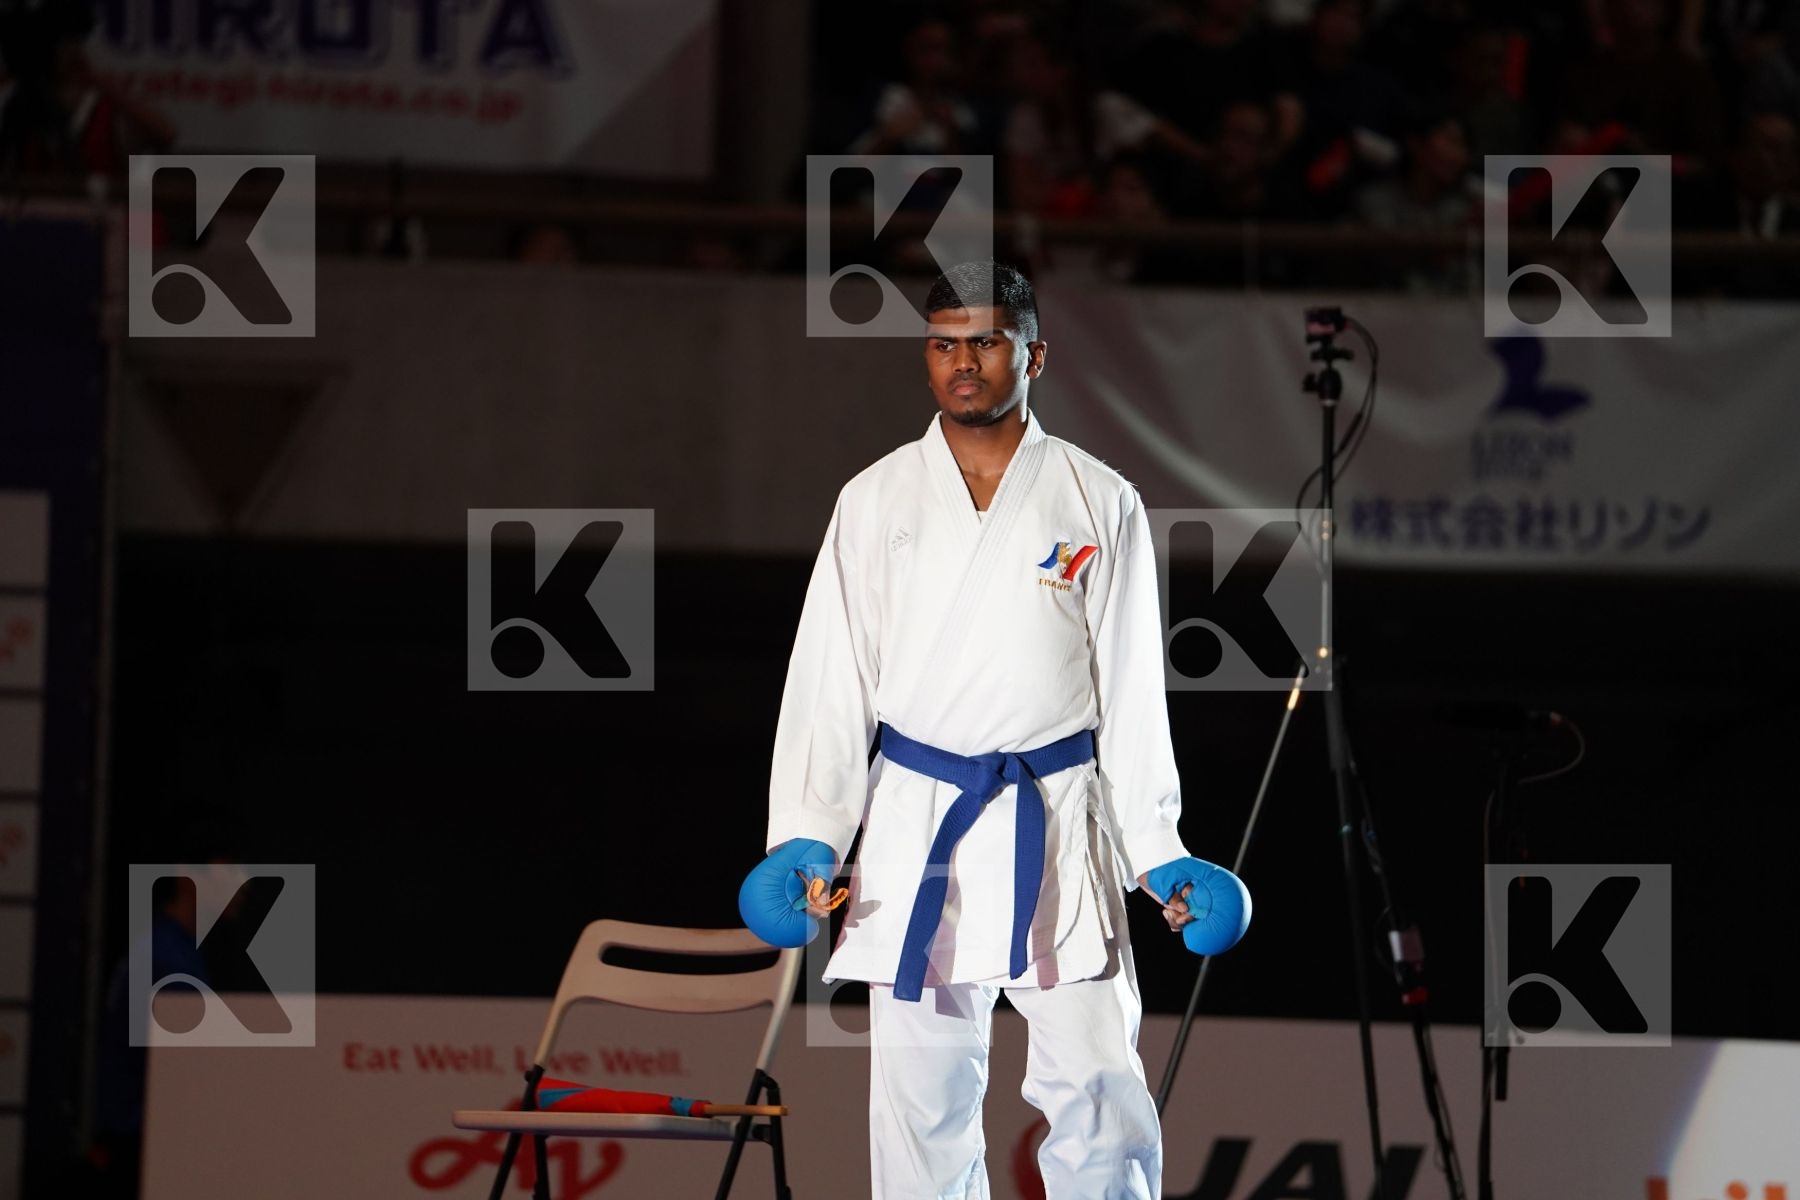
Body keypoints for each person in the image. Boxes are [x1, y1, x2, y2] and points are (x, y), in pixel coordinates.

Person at [739, 261, 1250, 1198]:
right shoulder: (875, 498)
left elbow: (1133, 690)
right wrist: (810, 831)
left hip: (1055, 811)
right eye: (943, 345)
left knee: (1097, 1082)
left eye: (984, 342)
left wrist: (1158, 849)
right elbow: (830, 677)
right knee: (918, 1094)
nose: (962, 363)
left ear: (1034, 354)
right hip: (915, 817)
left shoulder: (1102, 499)